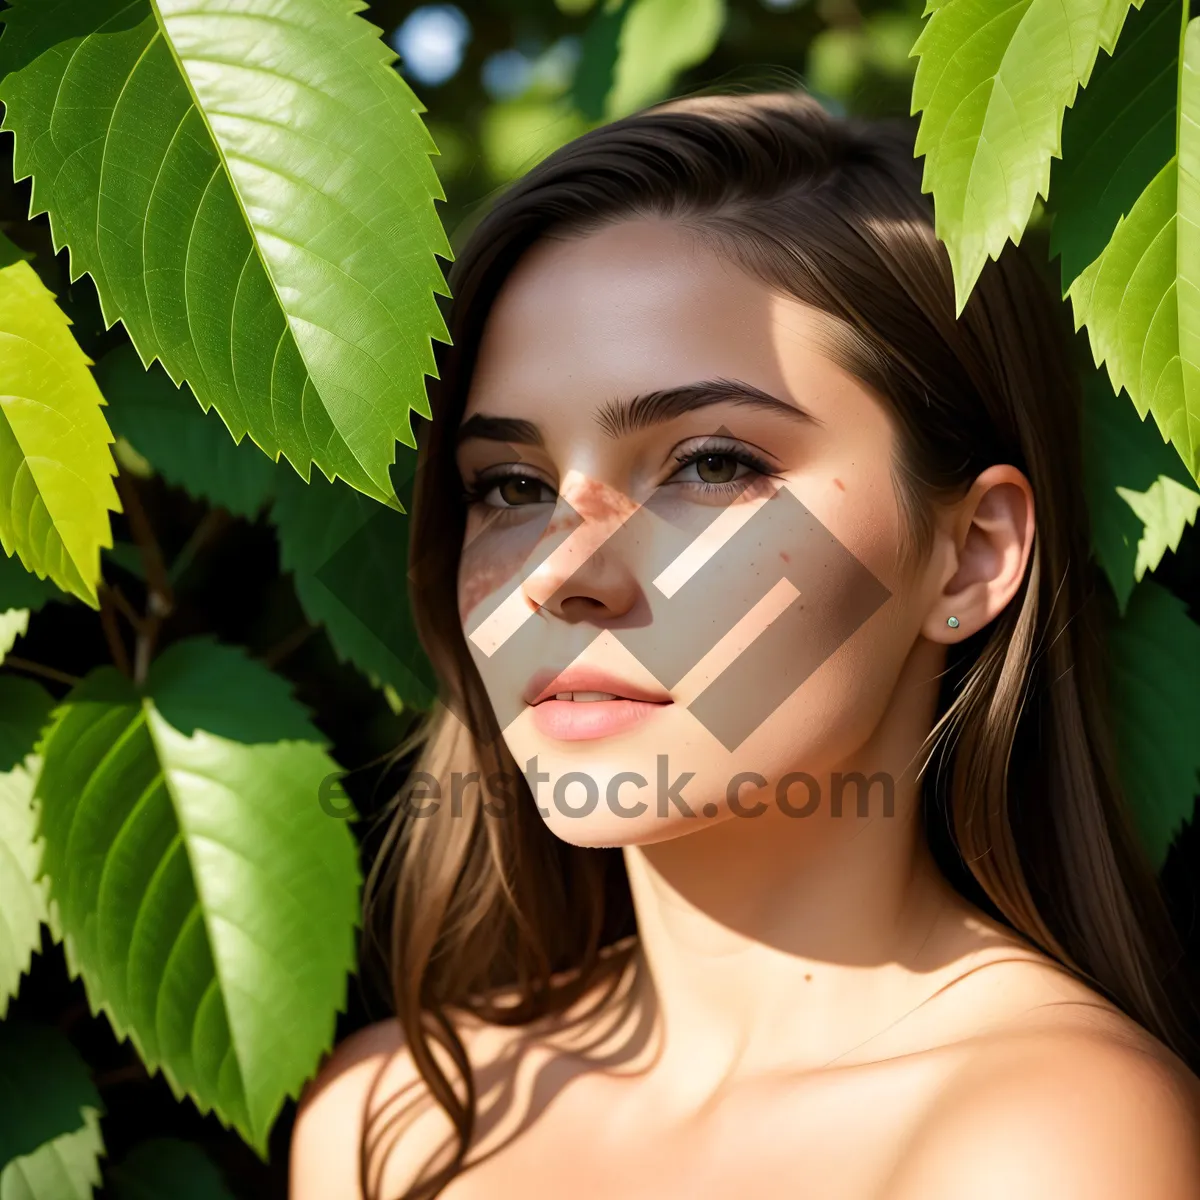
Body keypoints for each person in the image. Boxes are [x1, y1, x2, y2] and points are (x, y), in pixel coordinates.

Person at [289, 90, 1200, 1199]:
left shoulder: (1051, 1141)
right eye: (512, 486)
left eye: (710, 465)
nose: (559, 574)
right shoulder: (390, 1123)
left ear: (969, 555)